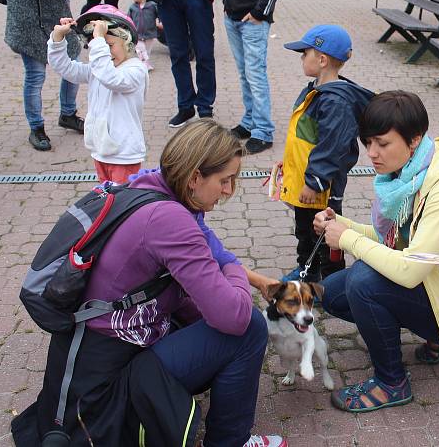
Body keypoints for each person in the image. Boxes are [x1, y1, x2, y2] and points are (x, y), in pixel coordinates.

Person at [15, 120, 286, 447]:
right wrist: (232, 270)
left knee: (204, 312)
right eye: (225, 181)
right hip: (110, 382)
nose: (229, 191)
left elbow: (199, 260)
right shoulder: (170, 221)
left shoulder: (145, 186)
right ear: (195, 178)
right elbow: (233, 316)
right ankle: (230, 442)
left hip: (92, 354)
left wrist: (225, 273)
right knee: (249, 327)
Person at [316, 91, 439, 412]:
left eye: (382, 144)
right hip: (436, 283)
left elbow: (409, 269)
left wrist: (348, 240)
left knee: (363, 282)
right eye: (367, 143)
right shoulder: (411, 173)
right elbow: (393, 239)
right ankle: (431, 336)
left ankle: (391, 383)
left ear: (414, 140)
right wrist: (340, 225)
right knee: (329, 294)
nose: (372, 153)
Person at [278, 25, 374, 284]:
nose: (301, 58)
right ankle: (306, 270)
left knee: (324, 231)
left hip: (321, 187)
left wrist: (315, 181)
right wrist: (288, 161)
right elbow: (305, 136)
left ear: (321, 60)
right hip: (307, 178)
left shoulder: (335, 101)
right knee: (304, 228)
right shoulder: (318, 89)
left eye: (304, 53)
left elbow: (333, 145)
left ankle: (330, 280)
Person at [4, 0, 86, 152]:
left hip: (58, 14)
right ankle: (36, 127)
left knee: (73, 64)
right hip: (28, 17)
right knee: (36, 74)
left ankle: (68, 114)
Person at [48, 5, 147, 184]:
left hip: (124, 154)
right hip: (101, 149)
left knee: (121, 205)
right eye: (102, 45)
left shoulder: (136, 70)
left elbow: (111, 78)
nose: (106, 51)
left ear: (127, 42)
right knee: (106, 200)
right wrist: (58, 38)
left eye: (110, 45)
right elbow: (66, 69)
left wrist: (99, 41)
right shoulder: (98, 68)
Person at [223, 0, 286, 154]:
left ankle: (263, 131)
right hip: (232, 17)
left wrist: (260, 12)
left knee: (255, 73)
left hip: (253, 20)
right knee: (244, 73)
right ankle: (249, 122)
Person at [128, 0, 160, 71]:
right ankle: (143, 64)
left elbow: (159, 14)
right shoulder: (132, 7)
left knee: (147, 50)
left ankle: (146, 63)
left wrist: (160, 22)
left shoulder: (152, 5)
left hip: (150, 32)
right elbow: (128, 18)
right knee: (139, 49)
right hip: (137, 33)